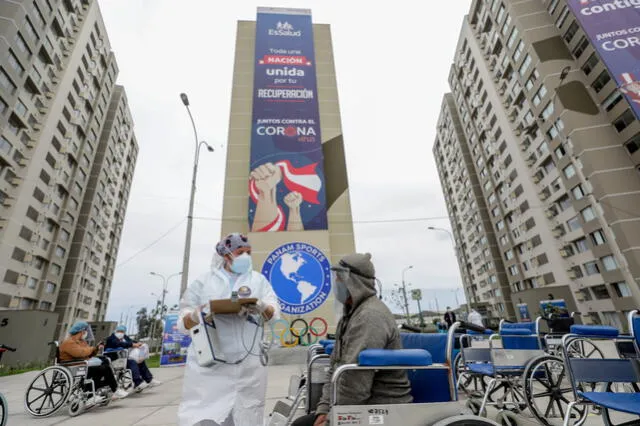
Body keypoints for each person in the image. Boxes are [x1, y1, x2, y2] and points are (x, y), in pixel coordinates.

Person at [293, 253, 412, 426]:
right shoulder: (351, 315)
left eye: (340, 279)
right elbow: (335, 368)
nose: (336, 284)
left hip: (381, 405)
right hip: (359, 402)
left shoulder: (369, 316)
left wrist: (334, 417)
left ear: (355, 282)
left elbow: (356, 382)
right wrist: (324, 408)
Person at [177, 233, 280, 426]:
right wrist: (196, 314)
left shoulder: (258, 281)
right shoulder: (204, 282)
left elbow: (274, 316)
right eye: (240, 252)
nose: (246, 257)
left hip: (248, 365)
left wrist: (261, 306)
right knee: (206, 415)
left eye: (249, 252)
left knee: (248, 413)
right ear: (226, 255)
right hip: (211, 367)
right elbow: (182, 323)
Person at [59, 321, 129, 400]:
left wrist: (96, 348)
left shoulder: (81, 342)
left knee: (104, 363)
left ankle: (93, 392)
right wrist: (91, 349)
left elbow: (87, 353)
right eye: (85, 331)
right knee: (104, 368)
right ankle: (114, 389)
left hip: (82, 364)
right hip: (74, 366)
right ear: (81, 331)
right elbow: (80, 353)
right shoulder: (69, 342)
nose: (86, 333)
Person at [105, 325, 161, 392]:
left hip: (124, 359)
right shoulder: (111, 338)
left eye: (122, 332)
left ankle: (149, 380)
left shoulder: (125, 337)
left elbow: (131, 341)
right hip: (115, 360)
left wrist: (138, 343)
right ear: (115, 331)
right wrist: (132, 345)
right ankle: (138, 383)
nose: (120, 333)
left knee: (140, 361)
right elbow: (119, 344)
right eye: (119, 331)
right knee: (132, 362)